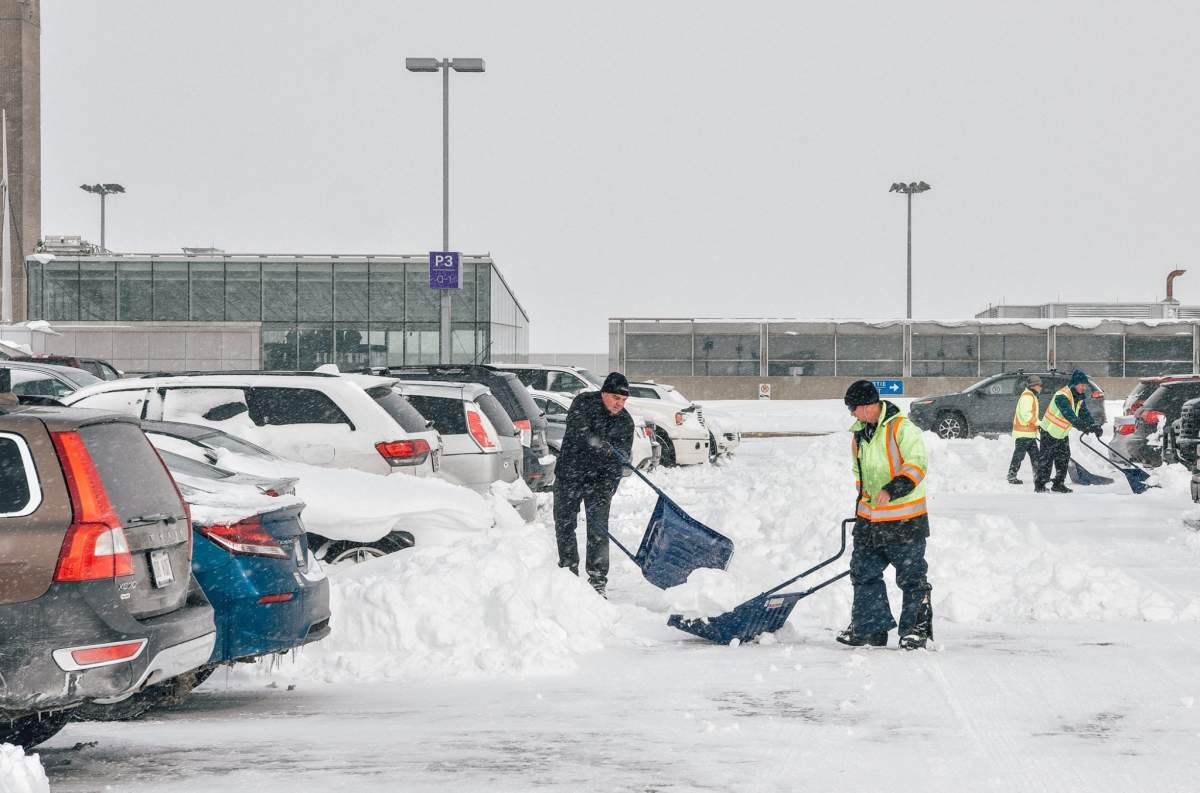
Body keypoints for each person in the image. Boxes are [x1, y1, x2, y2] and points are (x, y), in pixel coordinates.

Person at [838, 380, 934, 651]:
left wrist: (893, 488)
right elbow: (860, 477)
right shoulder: (858, 436)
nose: (852, 414)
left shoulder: (901, 428)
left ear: (869, 405)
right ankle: (871, 628)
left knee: (912, 577)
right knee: (863, 573)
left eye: (853, 408)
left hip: (905, 521)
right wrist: (863, 509)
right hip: (870, 521)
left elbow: (917, 463)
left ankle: (915, 632)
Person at [552, 371, 636, 597]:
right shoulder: (583, 403)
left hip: (599, 481)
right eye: (616, 398)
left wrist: (612, 481)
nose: (620, 404)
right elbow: (580, 432)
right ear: (604, 394)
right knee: (565, 524)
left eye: (624, 400)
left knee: (598, 528)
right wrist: (603, 447)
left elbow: (622, 457)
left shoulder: (626, 422)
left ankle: (598, 579)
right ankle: (568, 572)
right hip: (570, 474)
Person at [1034, 369, 1103, 493]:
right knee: (1046, 460)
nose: (1084, 388)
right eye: (1082, 385)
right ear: (1075, 384)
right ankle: (1040, 485)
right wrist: (1084, 427)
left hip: (1061, 433)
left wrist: (1094, 425)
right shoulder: (1062, 396)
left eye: (1085, 385)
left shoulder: (1079, 398)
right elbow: (1069, 415)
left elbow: (1084, 413)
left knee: (1063, 458)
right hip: (1049, 432)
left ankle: (1058, 484)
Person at [1007, 375, 1043, 485]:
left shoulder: (1031, 396)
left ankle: (1038, 477)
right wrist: (1039, 423)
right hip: (1023, 433)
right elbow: (1026, 414)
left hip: (1029, 433)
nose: (1041, 387)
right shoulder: (1027, 397)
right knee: (1020, 455)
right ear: (1033, 386)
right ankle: (1012, 475)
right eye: (1039, 385)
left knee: (1035, 456)